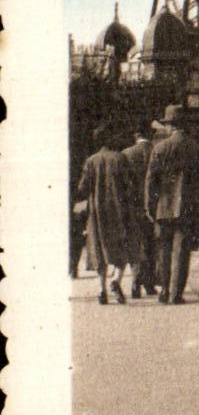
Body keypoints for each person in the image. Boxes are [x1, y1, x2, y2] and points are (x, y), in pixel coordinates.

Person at [144, 105, 199, 304]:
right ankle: (176, 293)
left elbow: (151, 180)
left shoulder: (160, 148)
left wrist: (150, 206)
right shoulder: (197, 148)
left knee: (164, 251)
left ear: (169, 126)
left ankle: (164, 290)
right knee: (182, 251)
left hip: (163, 207)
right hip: (188, 208)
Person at [78, 122, 134, 304]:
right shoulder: (120, 158)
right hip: (119, 209)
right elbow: (129, 186)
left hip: (97, 212)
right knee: (122, 247)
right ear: (110, 140)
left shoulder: (90, 161)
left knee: (98, 250)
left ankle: (101, 289)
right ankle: (116, 280)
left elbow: (82, 188)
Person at [121, 125, 157, 297]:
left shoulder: (126, 154)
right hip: (154, 206)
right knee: (152, 245)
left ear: (136, 134)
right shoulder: (157, 151)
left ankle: (135, 283)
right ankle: (149, 284)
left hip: (133, 207)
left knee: (136, 245)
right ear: (151, 134)